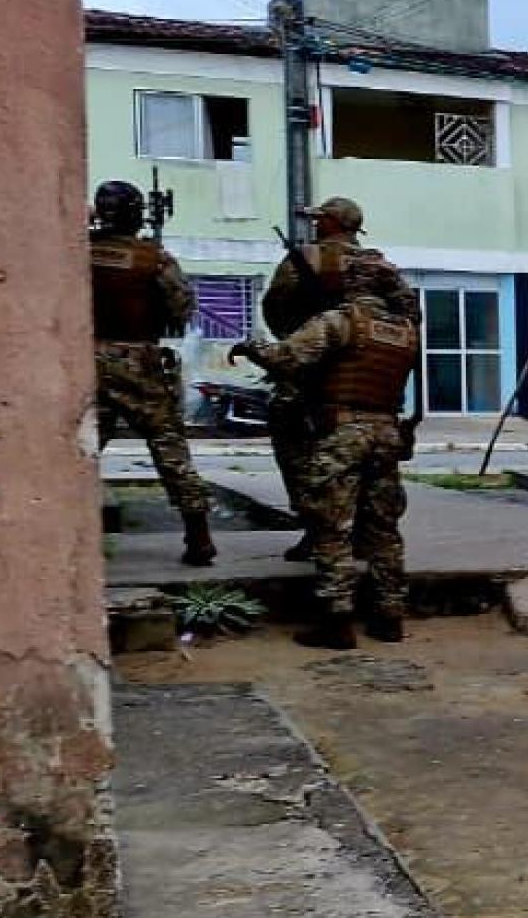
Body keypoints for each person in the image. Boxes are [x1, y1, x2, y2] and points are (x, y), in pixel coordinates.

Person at [236, 229, 421, 650]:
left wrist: (251, 347)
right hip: (387, 433)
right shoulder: (406, 332)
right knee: (383, 530)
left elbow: (287, 358)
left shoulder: (339, 322)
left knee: (332, 526)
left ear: (355, 285)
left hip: (342, 435)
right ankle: (390, 615)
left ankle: (337, 619)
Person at [88, 180, 216, 566]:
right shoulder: (154, 258)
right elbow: (181, 309)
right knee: (169, 447)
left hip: (83, 361)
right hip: (139, 363)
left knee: (77, 450)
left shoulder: (74, 251)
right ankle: (199, 537)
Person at [260, 198, 379, 563]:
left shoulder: (307, 258)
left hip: (310, 369)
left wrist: (301, 341)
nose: (314, 225)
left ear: (333, 223)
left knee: (296, 447)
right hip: (366, 370)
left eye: (319, 219)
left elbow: (274, 306)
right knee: (364, 454)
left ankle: (318, 531)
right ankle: (363, 531)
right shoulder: (377, 262)